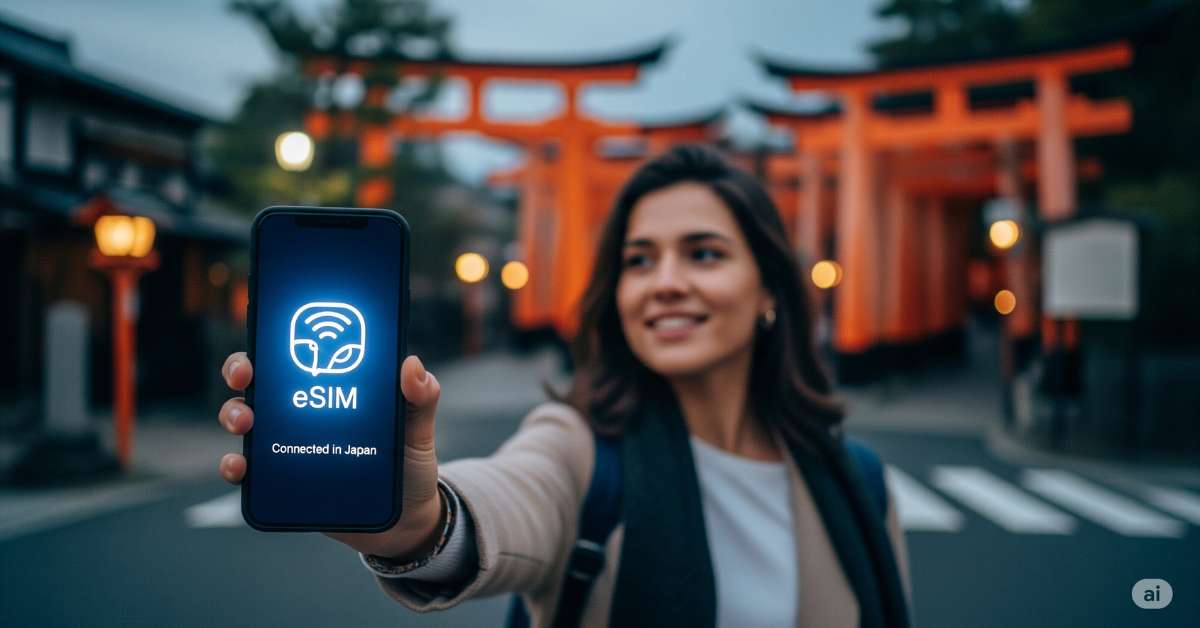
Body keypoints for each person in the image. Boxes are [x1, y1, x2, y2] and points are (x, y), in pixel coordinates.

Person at [216, 144, 913, 628]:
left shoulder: (858, 482)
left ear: (769, 291)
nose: (666, 282)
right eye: (639, 260)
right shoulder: (580, 449)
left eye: (704, 253)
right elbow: (516, 494)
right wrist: (422, 525)